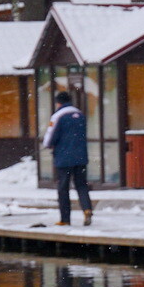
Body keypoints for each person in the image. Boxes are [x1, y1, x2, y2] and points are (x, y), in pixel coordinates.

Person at [43, 91, 92, 227]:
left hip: (64, 158)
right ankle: (87, 209)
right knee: (81, 185)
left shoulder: (58, 116)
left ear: (58, 102)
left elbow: (50, 137)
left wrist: (48, 145)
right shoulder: (80, 115)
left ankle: (65, 219)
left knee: (63, 188)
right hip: (81, 157)